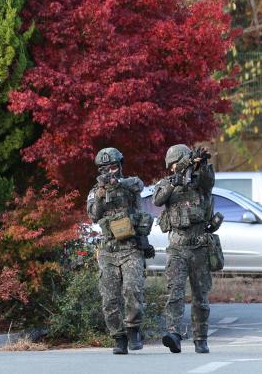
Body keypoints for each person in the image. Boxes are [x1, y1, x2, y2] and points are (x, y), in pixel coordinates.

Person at [87, 147, 153, 355]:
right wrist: (101, 193)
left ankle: (133, 329)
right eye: (105, 169)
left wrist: (118, 182)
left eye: (114, 167)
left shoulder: (129, 184)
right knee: (109, 298)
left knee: (133, 290)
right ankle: (118, 336)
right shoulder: (95, 191)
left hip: (131, 247)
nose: (110, 172)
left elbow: (139, 185)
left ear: (120, 166)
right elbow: (94, 216)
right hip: (108, 250)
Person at [154, 144, 215, 354]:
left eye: (176, 164)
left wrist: (202, 164)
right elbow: (158, 199)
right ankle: (174, 334)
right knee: (175, 293)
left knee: (201, 296)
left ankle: (201, 337)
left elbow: (209, 181)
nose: (174, 168)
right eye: (172, 165)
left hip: (199, 245)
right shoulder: (168, 183)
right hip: (177, 247)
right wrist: (176, 180)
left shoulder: (200, 182)